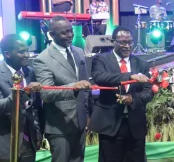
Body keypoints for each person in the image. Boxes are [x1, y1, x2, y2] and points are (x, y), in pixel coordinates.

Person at [89, 26, 154, 162]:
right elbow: (100, 77)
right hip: (110, 123)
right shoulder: (101, 59)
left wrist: (133, 99)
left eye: (130, 42)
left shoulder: (141, 63)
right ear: (113, 42)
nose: (127, 46)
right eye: (123, 42)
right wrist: (130, 76)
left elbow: (149, 91)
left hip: (135, 124)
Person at [33, 16, 91, 162]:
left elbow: (85, 89)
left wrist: (87, 114)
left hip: (80, 121)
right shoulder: (43, 59)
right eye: (65, 33)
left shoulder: (78, 51)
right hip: (59, 126)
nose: (70, 35)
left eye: (71, 31)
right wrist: (72, 87)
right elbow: (46, 93)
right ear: (52, 35)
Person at [0, 34, 44, 162]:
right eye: (21, 52)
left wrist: (38, 134)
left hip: (28, 141)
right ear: (7, 54)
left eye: (27, 50)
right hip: (5, 140)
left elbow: (35, 107)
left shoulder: (30, 71)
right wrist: (23, 92)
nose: (27, 55)